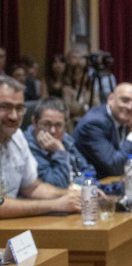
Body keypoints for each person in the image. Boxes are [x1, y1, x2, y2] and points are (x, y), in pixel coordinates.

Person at [0, 77, 82, 218]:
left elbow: (33, 187)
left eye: (19, 108)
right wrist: (56, 204)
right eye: (4, 107)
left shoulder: (17, 137)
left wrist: (75, 194)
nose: (13, 116)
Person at [73, 82, 132, 179]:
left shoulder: (126, 120)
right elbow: (115, 167)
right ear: (110, 99)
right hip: (89, 186)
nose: (129, 107)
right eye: (125, 100)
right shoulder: (94, 123)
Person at [25, 97, 95, 188]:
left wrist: (74, 184)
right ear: (34, 123)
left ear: (66, 125)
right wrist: (59, 151)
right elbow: (56, 185)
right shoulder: (28, 145)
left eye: (58, 125)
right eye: (46, 124)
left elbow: (89, 172)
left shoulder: (66, 139)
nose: (53, 131)